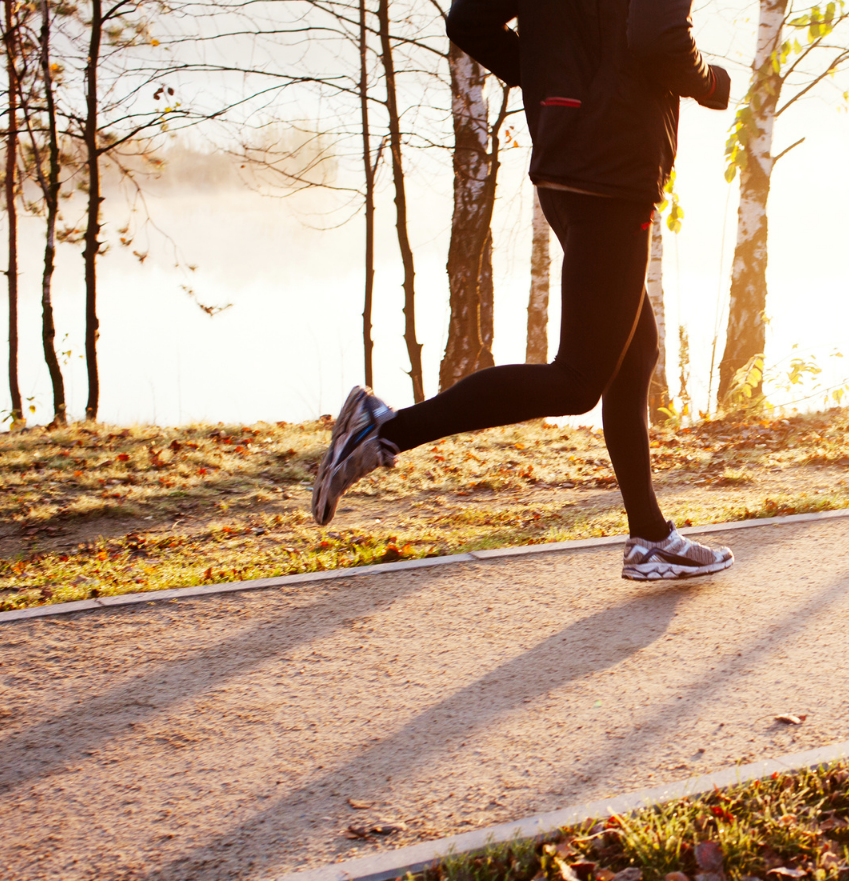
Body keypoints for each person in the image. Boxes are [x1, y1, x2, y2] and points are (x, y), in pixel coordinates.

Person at [310, 0, 736, 582]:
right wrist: (710, 83)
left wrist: (547, 78)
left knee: (633, 357)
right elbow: (659, 37)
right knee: (580, 379)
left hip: (568, 158)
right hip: (612, 168)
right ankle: (382, 429)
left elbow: (469, 20)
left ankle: (650, 536)